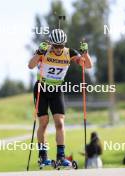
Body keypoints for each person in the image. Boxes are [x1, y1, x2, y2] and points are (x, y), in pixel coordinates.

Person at [28, 29, 92, 167]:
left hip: (57, 89)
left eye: (61, 46)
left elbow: (87, 65)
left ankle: (61, 157)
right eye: (55, 46)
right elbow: (30, 65)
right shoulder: (44, 50)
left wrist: (85, 53)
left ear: (64, 44)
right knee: (43, 123)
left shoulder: (69, 53)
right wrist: (39, 52)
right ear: (51, 44)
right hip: (42, 88)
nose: (58, 49)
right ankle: (43, 156)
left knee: (60, 123)